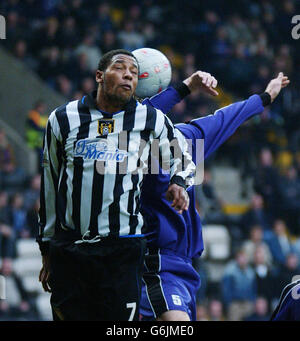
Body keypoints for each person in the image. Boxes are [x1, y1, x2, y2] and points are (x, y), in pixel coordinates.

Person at [37, 49, 195, 321]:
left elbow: (184, 159)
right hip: (70, 250)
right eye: (120, 68)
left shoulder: (150, 119)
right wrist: (46, 249)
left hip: (122, 251)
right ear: (99, 75)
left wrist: (179, 182)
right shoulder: (63, 119)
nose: (129, 76)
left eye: (134, 73)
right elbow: (50, 186)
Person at [138, 70, 290, 321]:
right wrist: (185, 87)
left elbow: (227, 116)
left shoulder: (188, 137)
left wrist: (264, 97)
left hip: (184, 267)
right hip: (154, 261)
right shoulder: (130, 148)